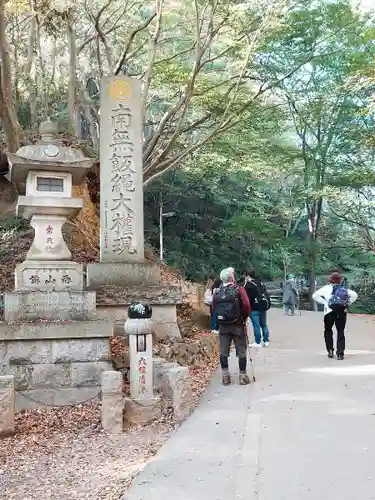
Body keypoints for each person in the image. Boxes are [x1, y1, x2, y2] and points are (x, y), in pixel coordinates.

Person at [211, 267, 251, 385]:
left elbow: (213, 308)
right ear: (231, 277)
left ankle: (225, 377)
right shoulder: (239, 290)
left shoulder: (217, 292)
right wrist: (243, 317)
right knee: (241, 351)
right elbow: (247, 305)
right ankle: (242, 376)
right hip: (238, 324)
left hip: (223, 326)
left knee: (223, 351)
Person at [312, 272, 358, 360]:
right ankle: (340, 354)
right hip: (341, 312)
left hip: (329, 312)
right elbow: (355, 295)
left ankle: (330, 350)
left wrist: (325, 302)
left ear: (330, 280)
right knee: (340, 331)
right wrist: (347, 303)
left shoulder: (326, 288)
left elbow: (314, 296)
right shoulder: (343, 289)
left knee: (328, 330)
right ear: (340, 281)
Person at [243, 269, 271, 347]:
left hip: (254, 308)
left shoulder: (248, 285)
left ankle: (257, 342)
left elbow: (246, 298)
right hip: (263, 307)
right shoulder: (261, 282)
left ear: (248, 276)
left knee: (256, 325)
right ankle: (266, 341)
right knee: (264, 324)